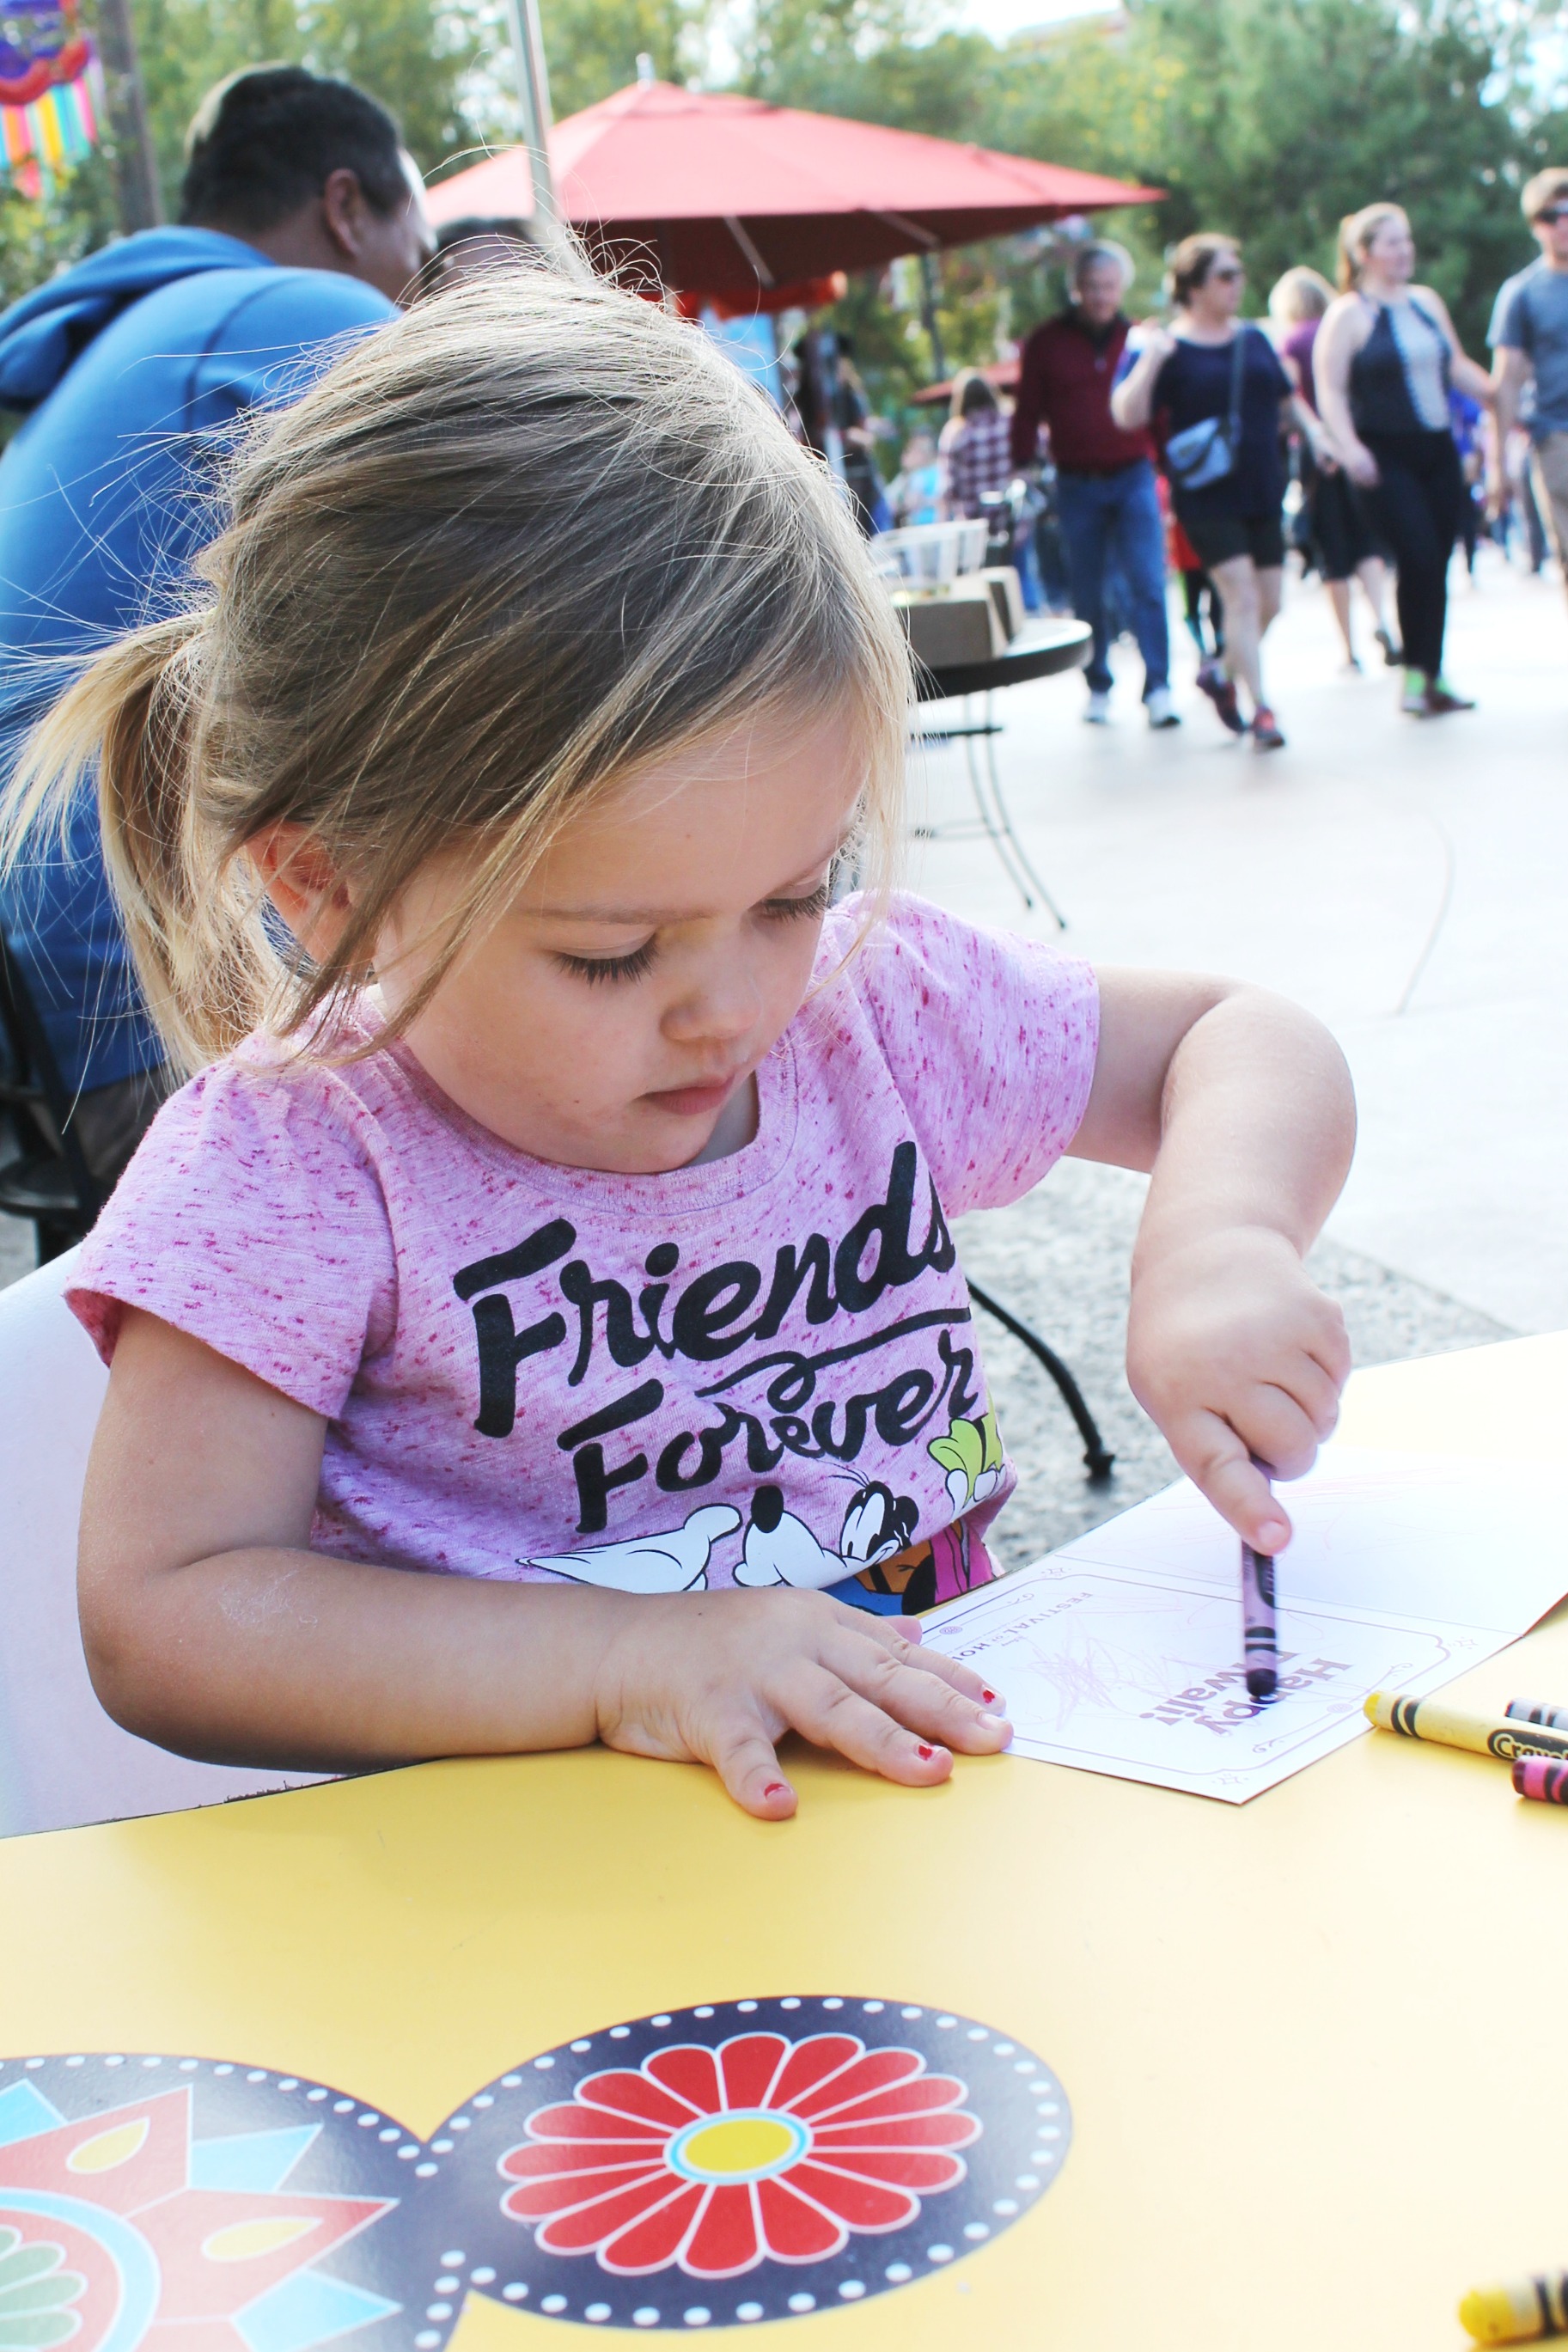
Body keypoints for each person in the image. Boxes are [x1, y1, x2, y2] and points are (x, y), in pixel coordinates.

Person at [0, 272, 1355, 1818]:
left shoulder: (868, 1013)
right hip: (538, 1930)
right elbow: (166, 1617)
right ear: (328, 890)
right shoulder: (303, 1163)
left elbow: (1241, 1039)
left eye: (798, 890)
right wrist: (620, 1658)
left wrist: (1221, 1242)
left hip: (924, 1853)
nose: (734, 1008)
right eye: (611, 952)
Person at [0, 64, 433, 1186]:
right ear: (347, 207)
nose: (412, 293)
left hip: (36, 1016)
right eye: (414, 249)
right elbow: (517, 571)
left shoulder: (127, 339)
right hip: (138, 983)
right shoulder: (300, 312)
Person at [1113, 234, 1328, 750]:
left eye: (1239, 274)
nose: (1238, 285)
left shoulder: (1253, 339)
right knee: (1242, 595)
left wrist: (1319, 436)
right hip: (1205, 493)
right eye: (1225, 276)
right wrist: (1150, 359)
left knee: (1271, 601)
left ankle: (1221, 673)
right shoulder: (1166, 345)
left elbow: (1286, 400)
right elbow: (1126, 415)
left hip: (1261, 485)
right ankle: (1263, 710)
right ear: (1193, 287)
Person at [1315, 204, 1492, 718]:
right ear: (1364, 253)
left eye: (1407, 240)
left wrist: (1497, 391)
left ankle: (1430, 674)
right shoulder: (1348, 314)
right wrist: (1350, 450)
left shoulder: (1426, 303)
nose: (1403, 251)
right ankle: (1415, 676)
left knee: (1435, 562)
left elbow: (1455, 365)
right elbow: (1331, 391)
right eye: (1391, 242)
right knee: (1415, 555)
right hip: (1383, 452)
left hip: (1435, 449)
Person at [1010, 242, 1177, 730]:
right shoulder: (1047, 343)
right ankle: (1098, 685)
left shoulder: (1138, 339)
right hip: (1076, 481)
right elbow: (1026, 410)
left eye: (1109, 287)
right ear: (1077, 288)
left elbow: (1158, 408)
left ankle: (1160, 686)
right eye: (1093, 287)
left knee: (1148, 580)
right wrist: (1021, 463)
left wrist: (1169, 466)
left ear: (1120, 288)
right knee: (1088, 588)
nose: (1102, 296)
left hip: (1133, 475)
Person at [1267, 265, 1398, 671]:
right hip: (1356, 444)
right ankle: (1381, 620)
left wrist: (1313, 436)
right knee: (1367, 541)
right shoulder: (1342, 327)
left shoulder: (1291, 341)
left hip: (1318, 453)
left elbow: (1288, 397)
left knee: (1333, 552)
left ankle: (1349, 649)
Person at [1487, 166, 1568, 604]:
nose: (1564, 224)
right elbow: (1507, 381)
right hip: (1557, 435)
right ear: (1536, 225)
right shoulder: (1522, 293)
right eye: (1553, 215)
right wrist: (1498, 465)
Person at [938, 370, 1013, 518]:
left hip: (974, 526)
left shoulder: (955, 434)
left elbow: (948, 488)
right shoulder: (1010, 424)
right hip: (1013, 522)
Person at [886, 430, 944, 526]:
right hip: (930, 526)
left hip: (925, 527)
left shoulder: (921, 475)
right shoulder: (938, 470)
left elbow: (912, 501)